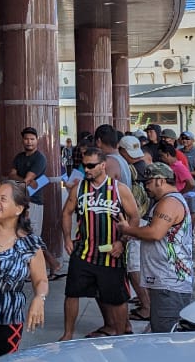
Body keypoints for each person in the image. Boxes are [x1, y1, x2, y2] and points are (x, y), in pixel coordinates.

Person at [59, 144, 138, 339]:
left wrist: (122, 242)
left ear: (103, 165)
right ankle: (68, 334)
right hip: (84, 250)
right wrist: (67, 238)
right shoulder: (79, 189)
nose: (86, 170)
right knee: (72, 292)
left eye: (91, 166)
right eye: (84, 165)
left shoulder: (119, 189)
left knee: (117, 297)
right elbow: (66, 213)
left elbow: (134, 217)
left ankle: (120, 335)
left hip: (111, 253)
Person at [0, 181, 48, 361]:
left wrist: (40, 298)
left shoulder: (29, 244)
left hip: (9, 317)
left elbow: (41, 281)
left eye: (3, 199)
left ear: (18, 209)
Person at [119, 163, 195, 332]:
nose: (146, 188)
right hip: (166, 282)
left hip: (169, 283)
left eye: (148, 183)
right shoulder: (169, 201)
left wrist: (127, 229)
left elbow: (155, 233)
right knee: (161, 329)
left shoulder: (169, 203)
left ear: (160, 181)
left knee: (165, 335)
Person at [7, 127, 55, 275]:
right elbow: (12, 175)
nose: (29, 142)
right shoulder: (19, 157)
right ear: (22, 140)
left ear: (37, 140)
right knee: (24, 234)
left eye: (32, 139)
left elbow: (27, 180)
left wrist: (22, 181)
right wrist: (23, 181)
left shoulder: (39, 158)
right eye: (26, 139)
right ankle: (49, 264)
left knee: (32, 236)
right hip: (19, 200)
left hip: (34, 201)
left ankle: (46, 266)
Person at [117, 132, 152, 325]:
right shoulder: (143, 165)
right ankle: (146, 302)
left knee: (134, 266)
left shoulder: (133, 169)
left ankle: (146, 307)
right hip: (144, 220)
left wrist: (130, 228)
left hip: (138, 222)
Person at [177, 131, 195, 219]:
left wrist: (187, 174)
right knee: (180, 210)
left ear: (192, 140)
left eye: (187, 138)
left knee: (191, 211)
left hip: (193, 188)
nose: (185, 140)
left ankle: (192, 231)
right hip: (180, 187)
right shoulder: (177, 152)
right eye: (183, 138)